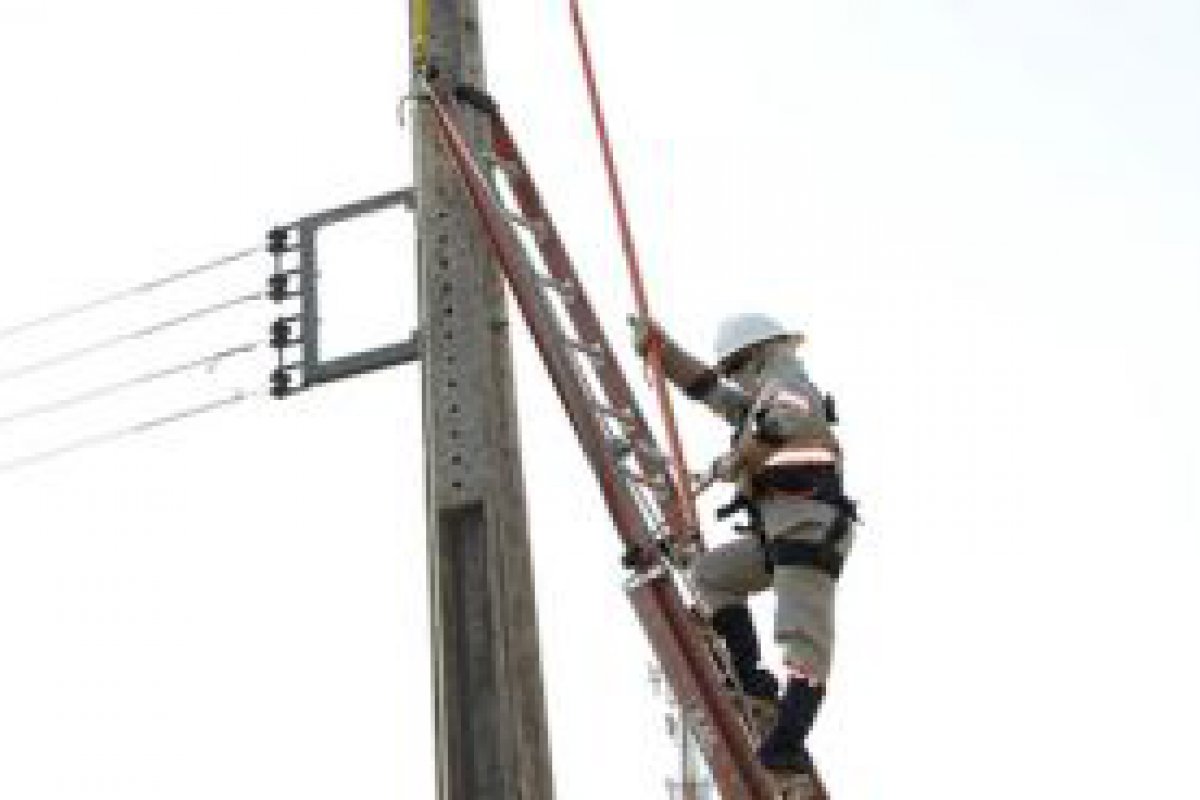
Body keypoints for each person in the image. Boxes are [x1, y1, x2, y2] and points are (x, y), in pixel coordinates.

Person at [631, 313, 856, 775]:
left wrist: (740, 455)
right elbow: (710, 391)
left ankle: (787, 744)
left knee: (803, 641)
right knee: (712, 575)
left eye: (735, 367)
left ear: (756, 355)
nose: (733, 378)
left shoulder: (787, 380)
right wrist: (663, 350)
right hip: (777, 534)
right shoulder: (759, 398)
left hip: (809, 530)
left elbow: (787, 414)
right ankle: (752, 678)